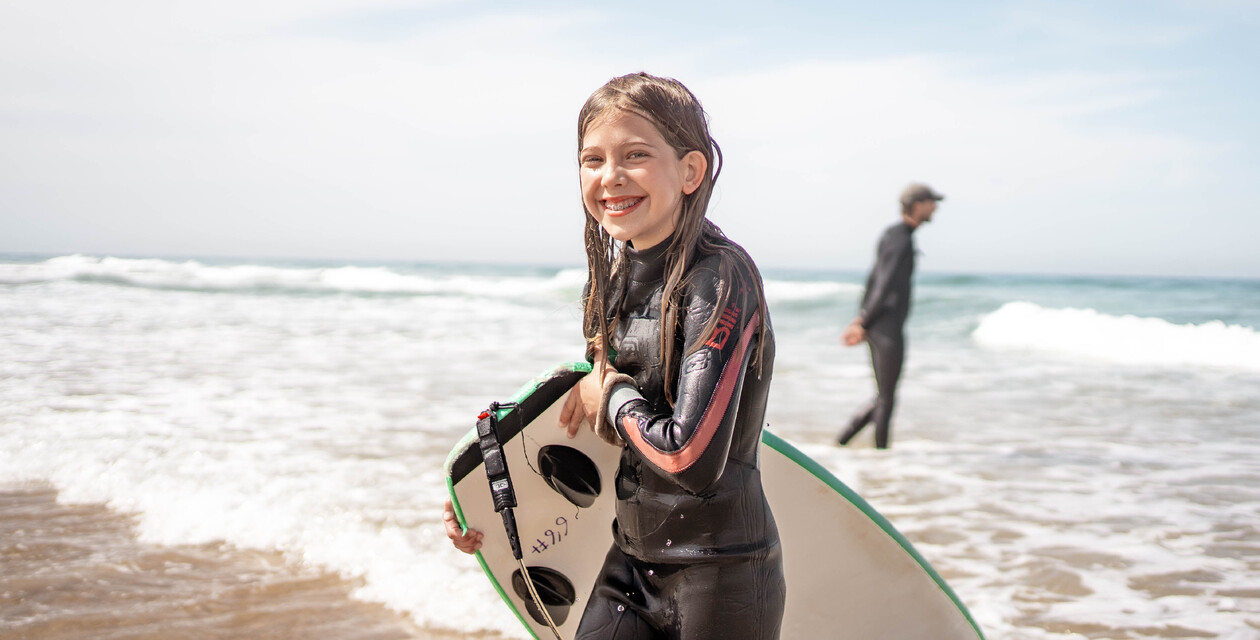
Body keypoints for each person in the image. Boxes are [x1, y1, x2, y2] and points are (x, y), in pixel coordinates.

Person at [444, 72, 784, 639]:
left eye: (636, 155)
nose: (610, 177)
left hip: (722, 577)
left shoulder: (721, 278)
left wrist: (611, 393)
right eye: (592, 159)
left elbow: (689, 458)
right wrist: (481, 500)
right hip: (628, 564)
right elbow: (596, 430)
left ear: (691, 171)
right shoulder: (612, 281)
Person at [835, 182, 943, 449]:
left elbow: (873, 280)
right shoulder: (901, 238)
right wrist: (863, 321)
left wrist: (862, 318)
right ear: (917, 205)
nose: (936, 208)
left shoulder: (895, 234)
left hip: (880, 324)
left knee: (884, 397)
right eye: (932, 202)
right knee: (886, 399)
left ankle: (841, 444)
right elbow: (883, 283)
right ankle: (880, 459)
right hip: (886, 327)